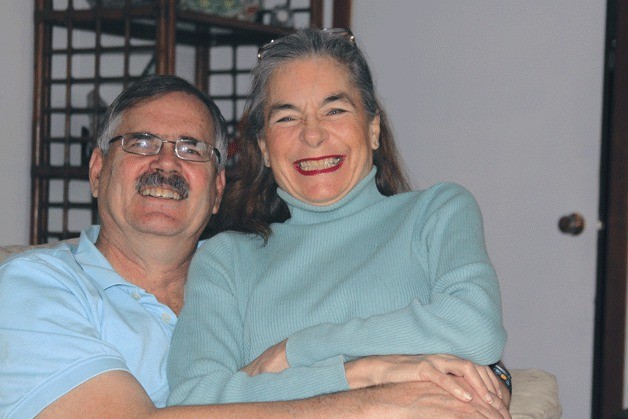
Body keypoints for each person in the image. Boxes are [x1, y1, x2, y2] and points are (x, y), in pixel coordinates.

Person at [0, 74, 509, 418]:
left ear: (219, 187)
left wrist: (487, 378)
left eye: (191, 149)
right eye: (141, 143)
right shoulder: (37, 287)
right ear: (96, 171)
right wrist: (367, 390)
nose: (166, 163)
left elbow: (432, 339)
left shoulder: (245, 275)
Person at [167, 27, 511, 414]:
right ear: (263, 148)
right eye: (286, 118)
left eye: (334, 110)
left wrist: (300, 348)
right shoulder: (225, 258)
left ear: (373, 128)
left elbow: (475, 329)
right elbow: (194, 401)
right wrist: (361, 373)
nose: (312, 135)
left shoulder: (437, 212)